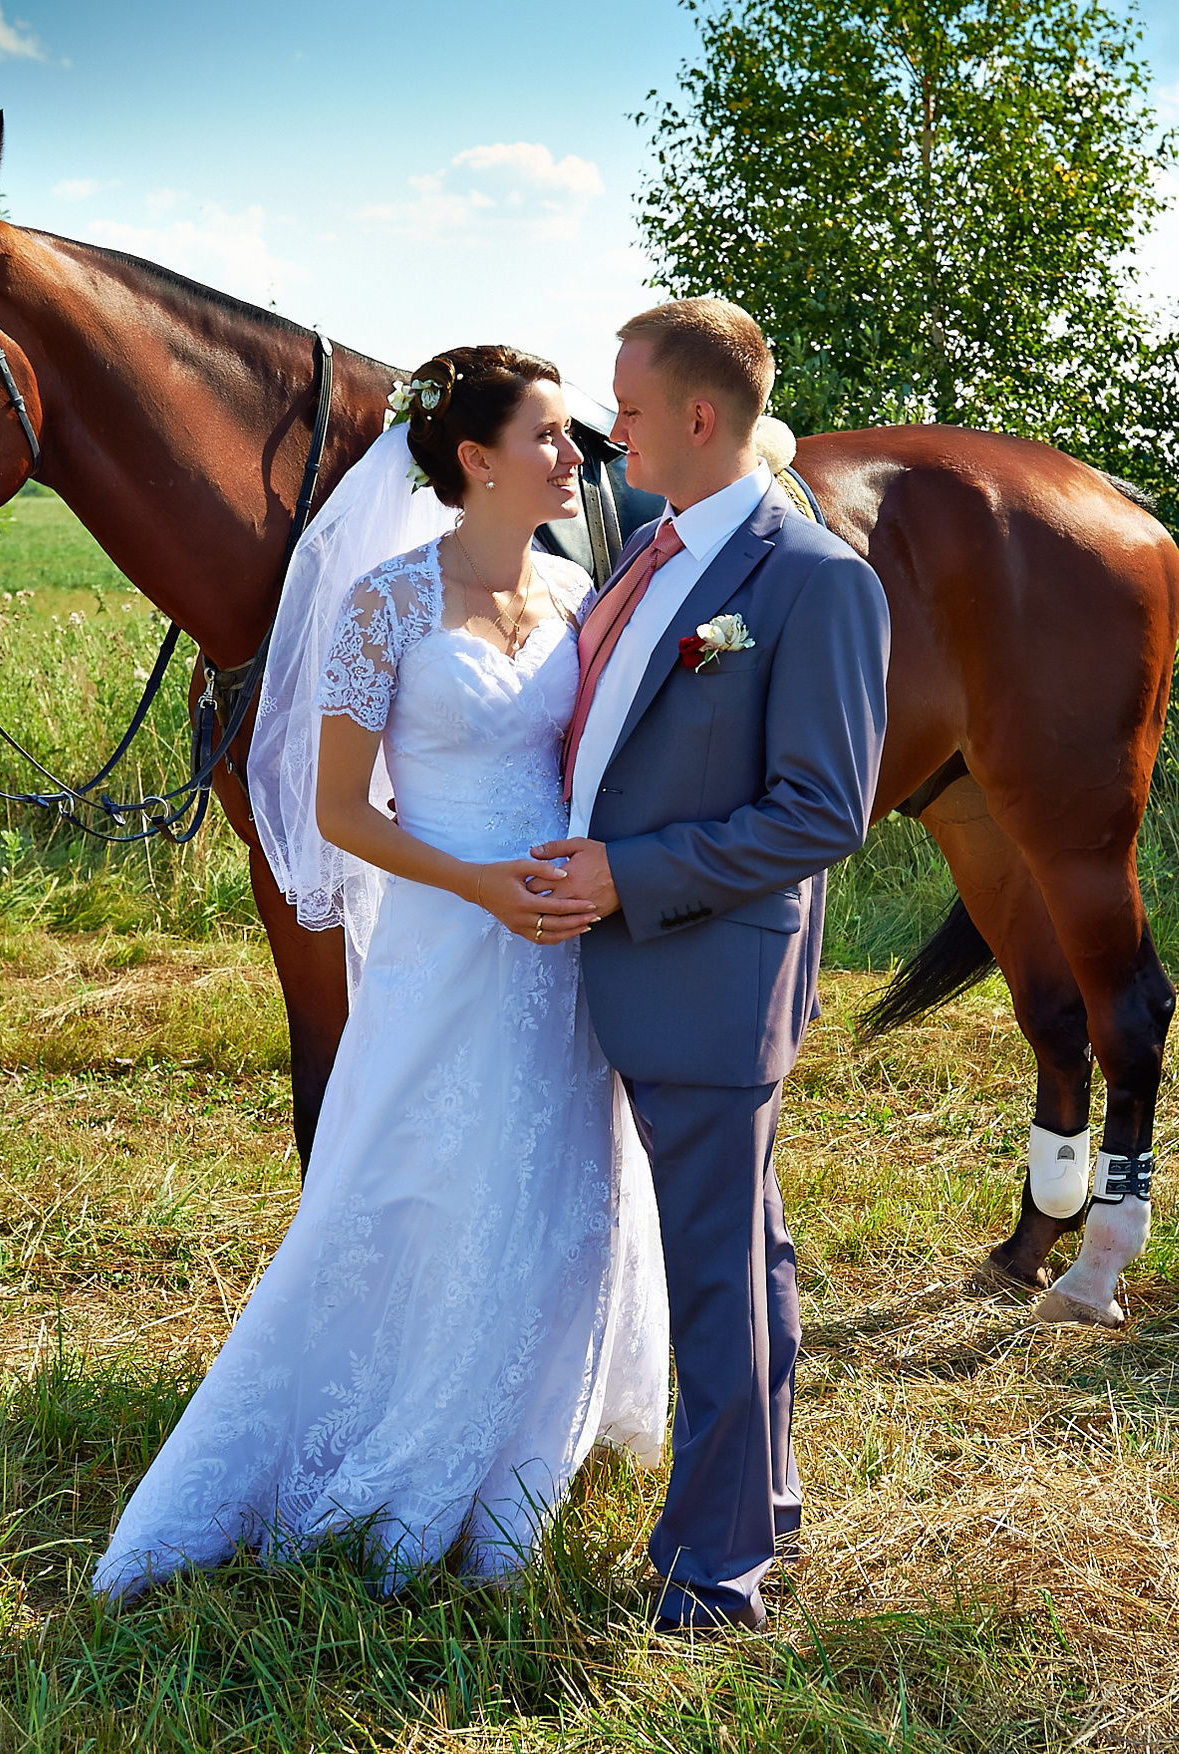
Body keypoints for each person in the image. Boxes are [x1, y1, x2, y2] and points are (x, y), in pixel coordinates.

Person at [91, 347, 669, 1603]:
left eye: (572, 436)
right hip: (446, 937)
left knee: (564, 1176)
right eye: (551, 437)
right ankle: (387, 1423)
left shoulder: (580, 596)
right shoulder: (386, 605)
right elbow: (337, 811)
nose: (578, 458)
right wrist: (477, 886)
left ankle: (530, 1438)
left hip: (563, 943)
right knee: (418, 1176)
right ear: (474, 460)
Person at [531, 299, 890, 1632]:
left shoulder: (811, 580)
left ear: (694, 417)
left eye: (622, 407)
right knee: (747, 1246)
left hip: (705, 970)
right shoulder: (656, 553)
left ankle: (713, 1571)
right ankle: (766, 1497)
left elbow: (822, 811)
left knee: (716, 1273)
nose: (603, 430)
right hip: (631, 966)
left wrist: (630, 874)